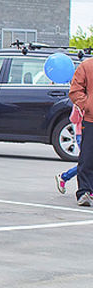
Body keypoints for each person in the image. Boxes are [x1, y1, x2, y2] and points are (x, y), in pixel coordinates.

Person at [69, 55, 93, 206]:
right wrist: (88, 105)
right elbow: (75, 90)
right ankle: (84, 191)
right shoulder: (86, 66)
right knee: (88, 156)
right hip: (91, 120)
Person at [55, 104, 83, 194]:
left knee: (87, 163)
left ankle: (64, 177)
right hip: (82, 134)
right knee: (87, 162)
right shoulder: (80, 101)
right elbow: (73, 119)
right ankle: (64, 177)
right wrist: (78, 109)